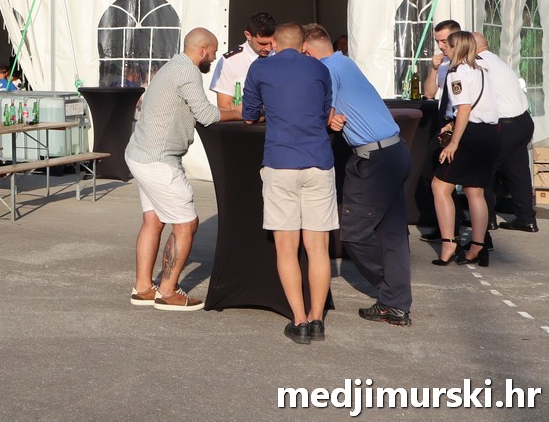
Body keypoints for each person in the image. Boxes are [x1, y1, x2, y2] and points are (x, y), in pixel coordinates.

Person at [303, 25, 413, 327]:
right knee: (392, 235)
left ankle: (393, 290)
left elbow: (319, 114)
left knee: (354, 232)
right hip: (395, 151)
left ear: (307, 51)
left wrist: (329, 119)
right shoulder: (344, 62)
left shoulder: (326, 70)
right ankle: (396, 304)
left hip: (374, 160)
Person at [126, 28, 241, 312]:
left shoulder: (171, 66)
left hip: (140, 153)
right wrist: (240, 112)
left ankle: (143, 288)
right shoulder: (188, 71)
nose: (213, 58)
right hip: (159, 160)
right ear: (202, 50)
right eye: (212, 52)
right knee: (186, 223)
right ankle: (168, 292)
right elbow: (207, 115)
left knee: (153, 221)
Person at [242, 22, 335, 345]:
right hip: (319, 161)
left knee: (287, 248)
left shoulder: (260, 68)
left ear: (275, 44)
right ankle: (318, 318)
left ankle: (299, 320)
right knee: (318, 248)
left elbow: (249, 114)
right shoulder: (320, 69)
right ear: (303, 44)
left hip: (281, 161)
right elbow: (325, 112)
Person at [431, 31, 500, 268]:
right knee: (475, 190)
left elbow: (464, 108)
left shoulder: (456, 73)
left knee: (440, 186)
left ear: (456, 48)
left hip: (471, 136)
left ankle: (449, 243)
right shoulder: (482, 69)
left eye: (447, 46)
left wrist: (454, 142)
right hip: (490, 133)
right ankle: (478, 246)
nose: (444, 49)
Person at [472, 32, 539, 233]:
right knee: (518, 172)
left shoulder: (479, 64)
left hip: (504, 125)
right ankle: (526, 218)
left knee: (483, 170)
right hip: (522, 122)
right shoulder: (498, 62)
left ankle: (486, 219)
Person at [211, 12, 276, 110]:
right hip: (245, 119)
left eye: (271, 43)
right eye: (262, 44)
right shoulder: (230, 61)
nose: (268, 48)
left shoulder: (280, 55)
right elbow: (224, 105)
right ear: (248, 35)